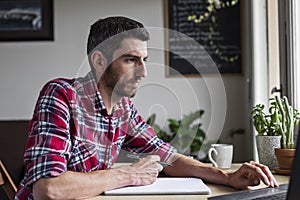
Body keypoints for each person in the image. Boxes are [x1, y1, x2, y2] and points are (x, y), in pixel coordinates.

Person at [15, 16, 278, 200]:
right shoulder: (61, 95)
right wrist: (129, 174)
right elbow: (49, 190)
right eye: (131, 60)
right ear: (99, 60)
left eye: (144, 60)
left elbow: (169, 158)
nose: (143, 71)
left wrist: (227, 176)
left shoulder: (123, 109)